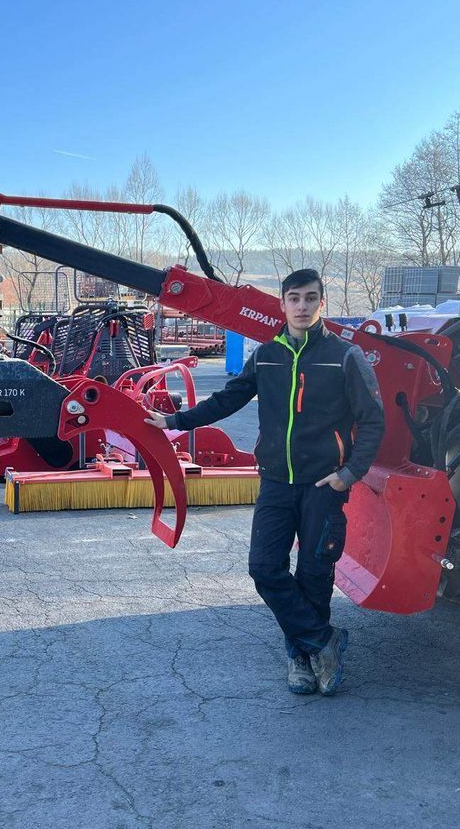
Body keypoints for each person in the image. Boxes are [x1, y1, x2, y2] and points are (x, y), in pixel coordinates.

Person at [145, 269, 384, 696]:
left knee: (315, 572)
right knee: (264, 568)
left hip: (323, 485)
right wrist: (175, 421)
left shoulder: (345, 356)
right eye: (294, 298)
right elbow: (227, 399)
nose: (303, 306)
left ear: (321, 303)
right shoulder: (267, 355)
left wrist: (349, 475)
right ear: (283, 304)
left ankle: (304, 662)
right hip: (275, 482)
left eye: (311, 298)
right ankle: (322, 641)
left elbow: (372, 421)